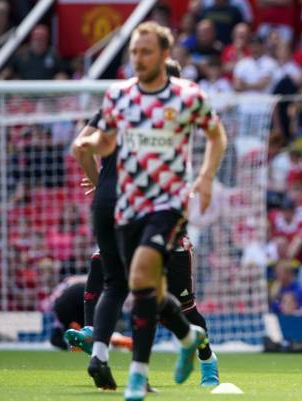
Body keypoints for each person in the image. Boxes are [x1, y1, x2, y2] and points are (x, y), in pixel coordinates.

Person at [72, 22, 227, 401]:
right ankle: (189, 337)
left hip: (168, 204)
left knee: (138, 277)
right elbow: (102, 138)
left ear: (164, 54)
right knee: (144, 289)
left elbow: (216, 135)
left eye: (146, 52)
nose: (138, 59)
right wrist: (90, 143)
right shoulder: (118, 96)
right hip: (129, 204)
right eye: (134, 53)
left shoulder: (188, 96)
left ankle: (137, 379)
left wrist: (206, 177)